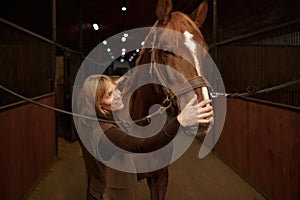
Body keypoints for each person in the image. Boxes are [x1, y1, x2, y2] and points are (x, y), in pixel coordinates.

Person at [76, 74, 213, 200]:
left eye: (117, 89)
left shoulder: (86, 121)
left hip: (95, 191)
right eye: (109, 95)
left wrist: (112, 85)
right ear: (98, 104)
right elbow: (143, 145)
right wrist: (180, 121)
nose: (119, 95)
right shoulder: (107, 133)